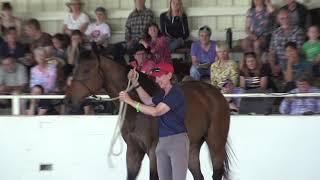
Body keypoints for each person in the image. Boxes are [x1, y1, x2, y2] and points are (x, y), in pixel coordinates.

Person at [119, 62, 189, 180]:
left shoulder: (176, 93)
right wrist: (136, 83)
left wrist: (130, 101)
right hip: (162, 142)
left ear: (169, 75)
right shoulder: (163, 94)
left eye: (160, 76)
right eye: (156, 77)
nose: (157, 80)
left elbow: (156, 111)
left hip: (177, 141)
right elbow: (147, 101)